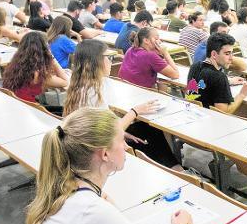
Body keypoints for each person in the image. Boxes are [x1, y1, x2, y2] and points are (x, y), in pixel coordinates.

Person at [25, 107, 192, 224]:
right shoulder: (91, 211)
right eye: (121, 140)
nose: (127, 146)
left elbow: (102, 204)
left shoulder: (64, 186)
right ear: (105, 154)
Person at [64, 40, 179, 168]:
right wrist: (135, 112)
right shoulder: (94, 90)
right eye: (109, 57)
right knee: (150, 132)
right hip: (96, 150)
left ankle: (173, 168)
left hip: (89, 142)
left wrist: (123, 133)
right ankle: (174, 170)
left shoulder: (80, 83)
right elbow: (109, 131)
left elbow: (98, 125)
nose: (111, 62)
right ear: (96, 61)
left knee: (145, 131)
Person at [187, 33, 247, 113]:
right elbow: (223, 113)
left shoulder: (195, 66)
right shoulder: (219, 77)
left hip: (194, 115)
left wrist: (228, 82)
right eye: (227, 54)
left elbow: (205, 86)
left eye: (232, 53)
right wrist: (242, 94)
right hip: (210, 122)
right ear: (214, 54)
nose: (231, 58)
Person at [2, 31, 69, 102]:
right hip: (28, 108)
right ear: (44, 49)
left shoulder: (13, 64)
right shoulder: (37, 73)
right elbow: (65, 81)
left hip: (12, 103)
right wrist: (52, 57)